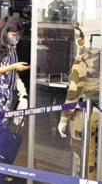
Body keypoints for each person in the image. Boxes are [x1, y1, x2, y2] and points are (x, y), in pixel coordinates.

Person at [58, 27, 100, 179]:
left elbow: (73, 93)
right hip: (98, 110)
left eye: (78, 36)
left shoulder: (84, 58)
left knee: (84, 156)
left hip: (86, 114)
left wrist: (63, 120)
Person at [0, 18, 29, 117]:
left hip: (8, 89)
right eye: (13, 35)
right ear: (5, 32)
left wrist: (20, 86)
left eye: (18, 35)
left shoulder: (12, 46)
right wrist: (13, 66)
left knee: (4, 119)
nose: (16, 38)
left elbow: (13, 67)